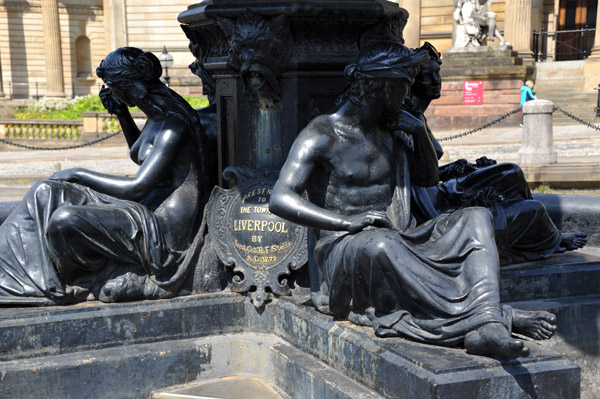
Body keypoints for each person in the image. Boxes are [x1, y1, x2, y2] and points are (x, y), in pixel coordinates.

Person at [270, 41, 556, 358]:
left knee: (475, 217)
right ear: (379, 86)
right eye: (403, 88)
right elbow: (280, 198)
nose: (407, 97)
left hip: (399, 235)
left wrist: (418, 132)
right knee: (380, 245)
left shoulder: (394, 129)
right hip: (344, 248)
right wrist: (347, 222)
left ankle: (488, 323)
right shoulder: (322, 133)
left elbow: (428, 179)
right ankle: (502, 316)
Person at [0, 47, 210, 304]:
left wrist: (78, 174)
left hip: (163, 227)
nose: (111, 92)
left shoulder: (173, 126)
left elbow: (136, 187)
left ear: (132, 86)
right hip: (144, 208)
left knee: (65, 219)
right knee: (47, 192)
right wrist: (122, 114)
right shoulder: (156, 118)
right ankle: (23, 279)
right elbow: (139, 153)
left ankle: (39, 280)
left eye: (114, 86)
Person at [407, 43, 587, 264]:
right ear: (412, 82)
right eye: (428, 77)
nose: (437, 81)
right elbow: (417, 181)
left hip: (441, 192)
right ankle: (546, 236)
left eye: (438, 74)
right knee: (534, 209)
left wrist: (456, 168)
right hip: (440, 204)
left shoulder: (416, 116)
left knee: (510, 172)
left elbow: (422, 171)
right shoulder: (409, 123)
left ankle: (540, 232)